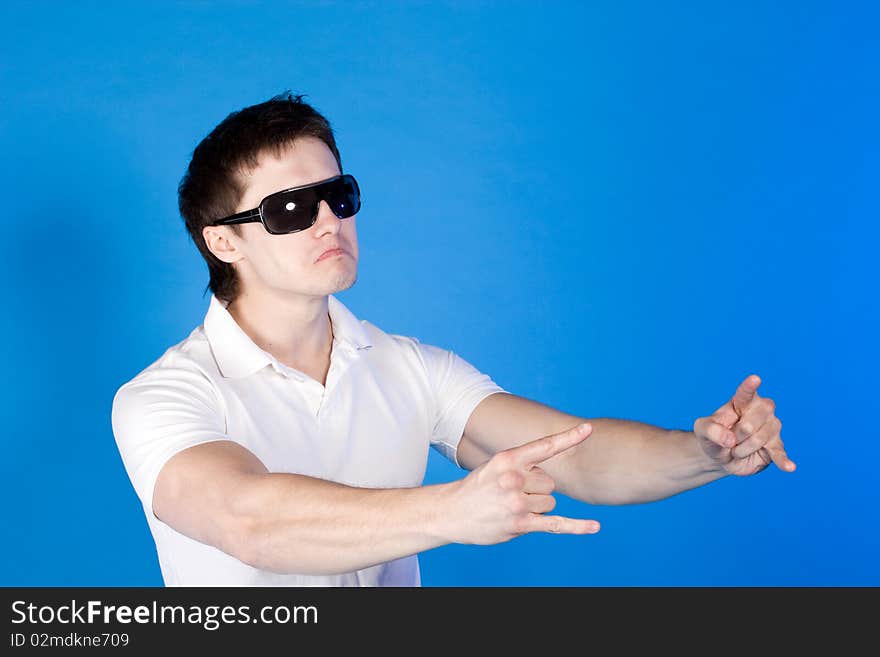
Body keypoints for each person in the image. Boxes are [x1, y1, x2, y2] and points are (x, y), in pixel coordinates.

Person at [110, 92, 796, 587]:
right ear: (223, 239)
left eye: (339, 195)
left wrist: (705, 451)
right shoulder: (163, 397)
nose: (328, 222)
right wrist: (452, 509)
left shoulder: (410, 368)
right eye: (291, 208)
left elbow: (577, 457)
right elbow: (246, 519)